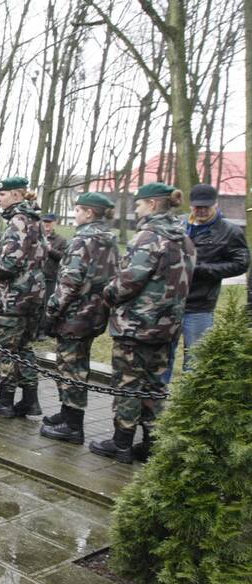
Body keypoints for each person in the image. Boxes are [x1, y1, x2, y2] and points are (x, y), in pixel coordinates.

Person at [89, 183, 195, 463]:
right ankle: (153, 443)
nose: (135, 209)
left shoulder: (148, 237)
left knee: (128, 384)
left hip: (137, 326)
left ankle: (121, 443)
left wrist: (108, 293)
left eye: (138, 204)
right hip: (167, 327)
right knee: (154, 386)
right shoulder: (184, 237)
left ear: (151, 204)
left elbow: (128, 281)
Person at [38, 193, 119, 444]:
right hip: (95, 314)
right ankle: (66, 414)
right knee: (75, 365)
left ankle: (73, 426)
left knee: (70, 367)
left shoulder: (83, 240)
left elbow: (69, 283)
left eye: (78, 210)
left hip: (75, 315)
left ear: (89, 213)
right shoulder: (110, 241)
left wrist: (50, 313)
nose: (75, 215)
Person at [165, 183, 248, 377]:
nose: (201, 211)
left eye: (206, 207)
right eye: (197, 207)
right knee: (162, 356)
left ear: (216, 204)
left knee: (196, 360)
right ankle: (156, 399)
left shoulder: (230, 231)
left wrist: (203, 270)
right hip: (170, 302)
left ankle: (188, 403)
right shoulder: (178, 224)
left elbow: (241, 263)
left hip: (200, 305)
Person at [0, 176, 47, 417]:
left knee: (5, 349)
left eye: (3, 194)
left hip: (14, 297)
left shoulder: (18, 221)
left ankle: (5, 400)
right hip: (33, 295)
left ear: (17, 195)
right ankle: (30, 400)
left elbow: (10, 263)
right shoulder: (35, 221)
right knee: (24, 348)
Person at [38, 213, 68, 338]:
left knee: (46, 304)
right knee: (36, 304)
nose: (46, 225)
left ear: (54, 223)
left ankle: (43, 331)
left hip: (50, 276)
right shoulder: (38, 237)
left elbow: (63, 257)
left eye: (49, 223)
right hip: (37, 276)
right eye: (44, 222)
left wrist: (50, 250)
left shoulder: (61, 240)